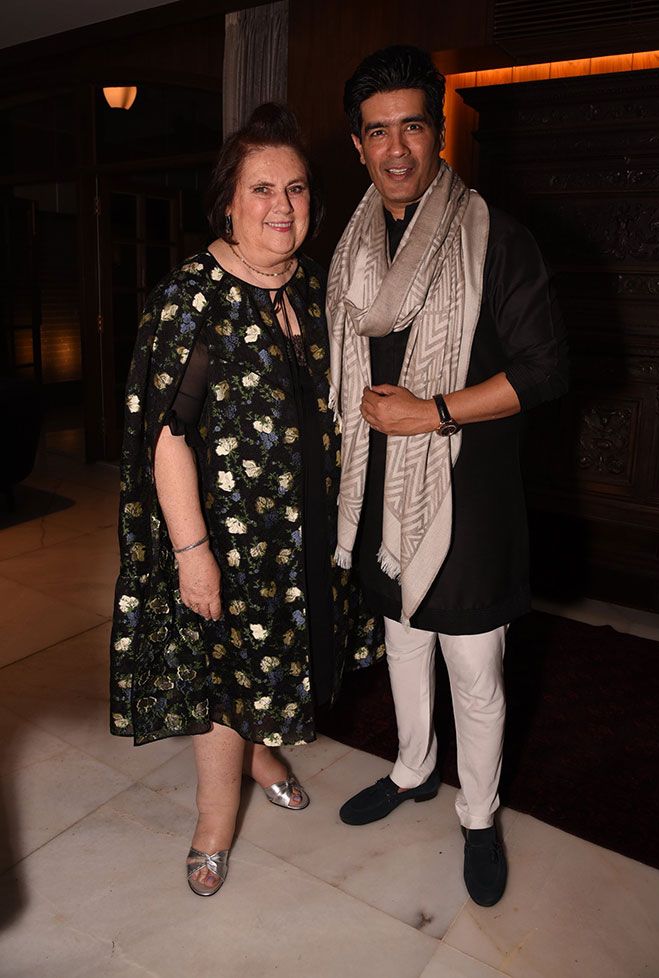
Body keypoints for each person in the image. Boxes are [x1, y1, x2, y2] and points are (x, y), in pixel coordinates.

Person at [110, 103, 381, 898]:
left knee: (272, 676)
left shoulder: (315, 289)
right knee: (227, 684)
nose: (281, 208)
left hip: (300, 543)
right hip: (225, 546)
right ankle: (214, 821)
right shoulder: (196, 299)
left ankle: (262, 753)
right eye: (261, 188)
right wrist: (194, 559)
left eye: (295, 189)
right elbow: (167, 439)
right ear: (228, 200)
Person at [328, 46, 568, 907]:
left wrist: (429, 411)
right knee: (401, 641)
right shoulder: (349, 250)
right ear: (358, 146)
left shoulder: (496, 237)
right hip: (380, 494)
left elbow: (542, 372)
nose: (397, 149)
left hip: (470, 500)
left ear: (439, 132)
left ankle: (477, 814)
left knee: (474, 669)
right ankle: (412, 769)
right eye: (377, 131)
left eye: (413, 127)